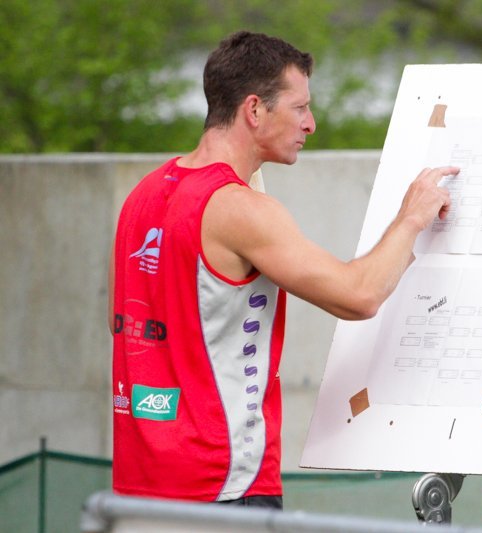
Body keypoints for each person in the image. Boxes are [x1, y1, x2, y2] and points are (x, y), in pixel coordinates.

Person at [108, 30, 457, 509]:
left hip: (138, 488)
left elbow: (140, 325)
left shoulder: (144, 194)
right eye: (300, 108)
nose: (310, 124)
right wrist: (412, 217)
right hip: (221, 487)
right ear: (254, 110)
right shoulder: (238, 208)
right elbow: (359, 295)